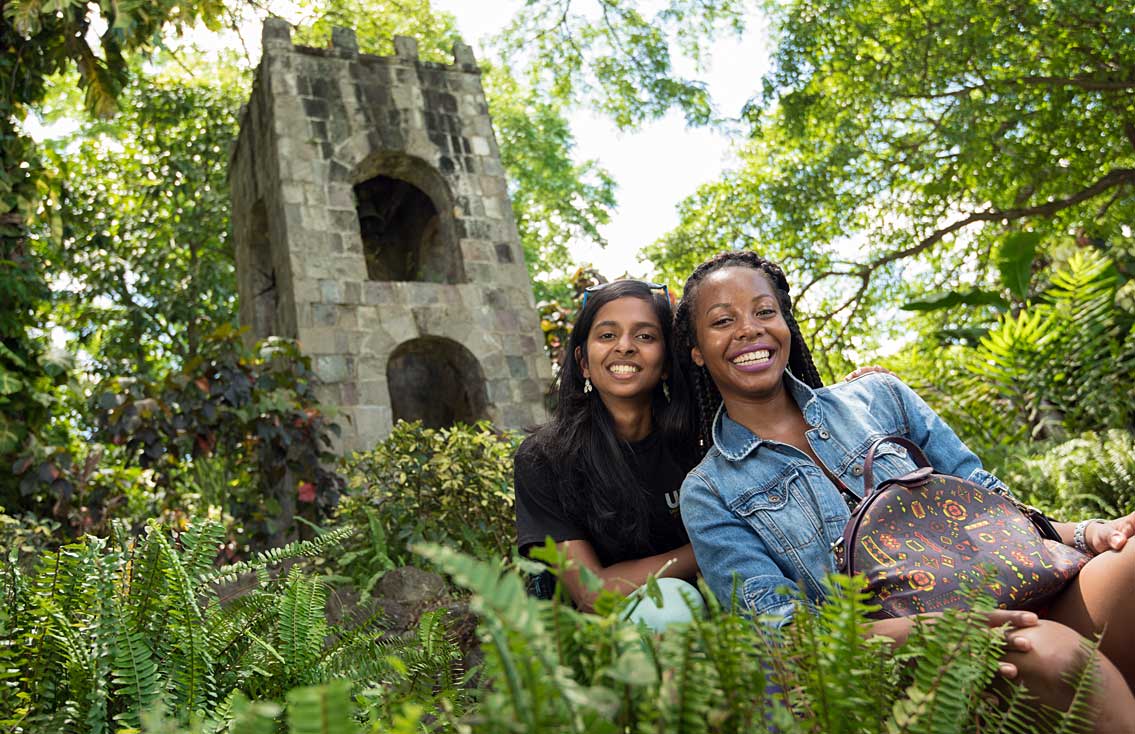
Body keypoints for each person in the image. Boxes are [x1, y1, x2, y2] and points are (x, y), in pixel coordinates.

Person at [672, 250, 1135, 731]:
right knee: (1056, 657)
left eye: (764, 311)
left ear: (786, 323)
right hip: (912, 665)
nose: (749, 329)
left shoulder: (879, 397)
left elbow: (988, 498)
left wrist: (1083, 534)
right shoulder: (710, 490)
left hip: (1020, 585)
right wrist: (927, 634)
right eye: (723, 321)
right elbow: (782, 634)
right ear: (697, 351)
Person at [514, 280, 705, 627]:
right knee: (673, 606)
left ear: (666, 362)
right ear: (583, 362)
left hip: (711, 619)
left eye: (645, 336)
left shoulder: (700, 441)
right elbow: (592, 594)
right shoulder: (544, 459)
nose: (625, 347)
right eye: (606, 336)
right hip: (593, 641)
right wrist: (711, 547)